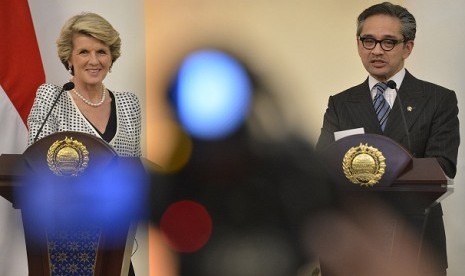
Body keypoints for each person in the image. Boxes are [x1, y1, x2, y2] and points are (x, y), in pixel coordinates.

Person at [315, 2, 459, 274]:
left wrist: (369, 165)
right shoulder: (341, 104)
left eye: (388, 42)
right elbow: (322, 165)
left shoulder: (439, 99)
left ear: (408, 47)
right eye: (368, 40)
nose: (377, 50)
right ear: (358, 44)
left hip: (417, 240)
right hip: (355, 242)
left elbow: (443, 167)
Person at [26, 12, 141, 276]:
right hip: (62, 244)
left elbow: (134, 172)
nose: (93, 60)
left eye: (101, 51)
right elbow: (35, 168)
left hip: (114, 243)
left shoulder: (129, 104)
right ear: (69, 57)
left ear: (111, 57)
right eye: (84, 52)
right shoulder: (51, 97)